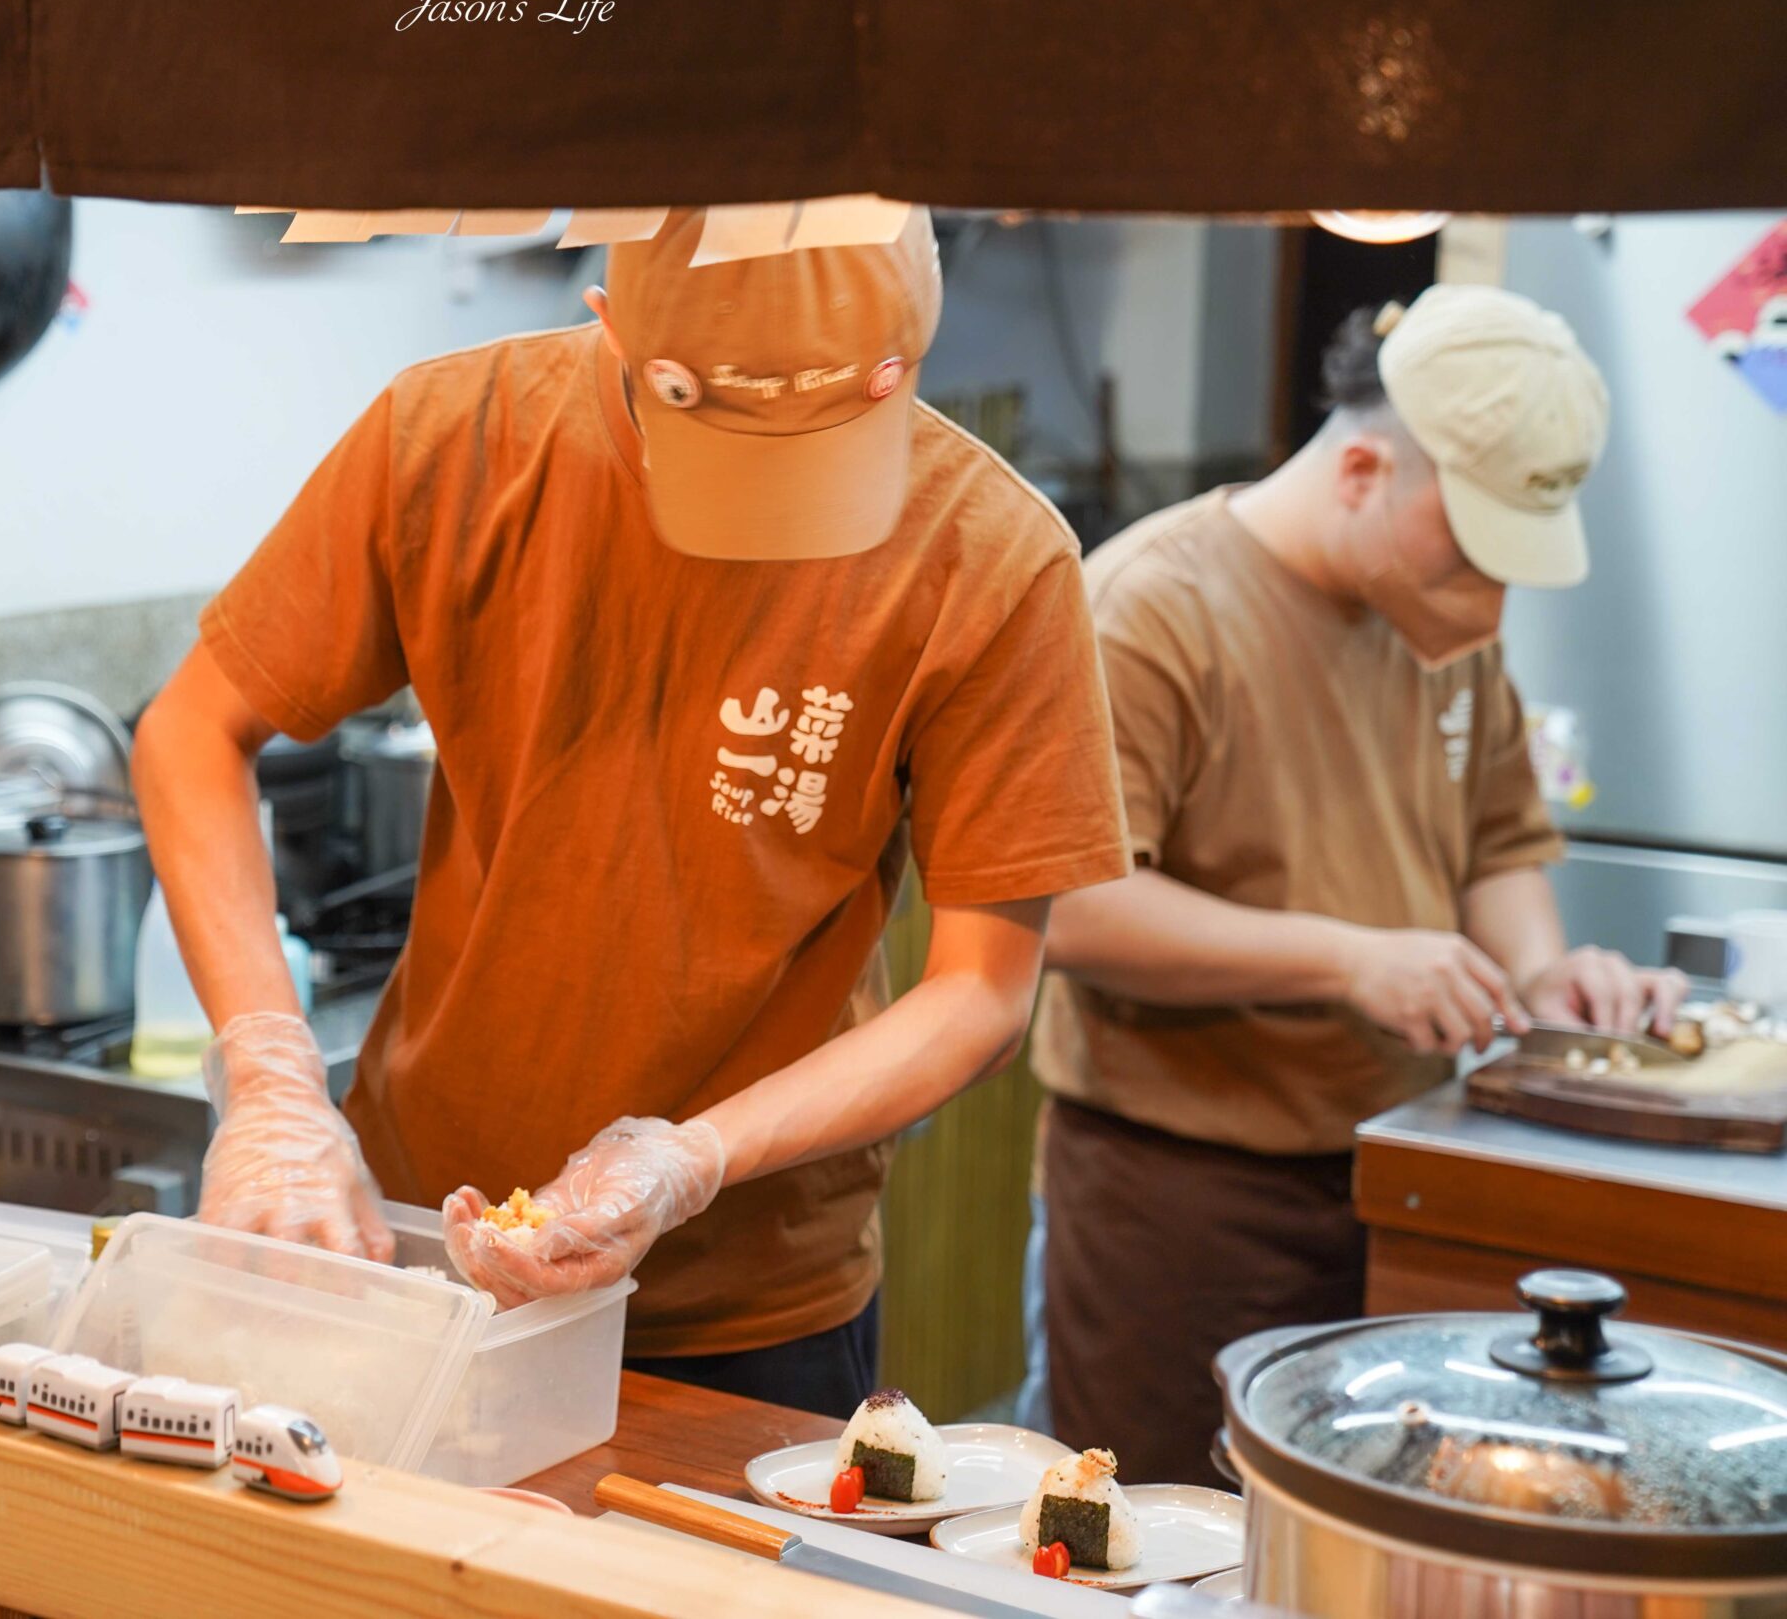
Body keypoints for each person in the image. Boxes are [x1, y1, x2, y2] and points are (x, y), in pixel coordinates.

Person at [132, 208, 1132, 1414]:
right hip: (415, 1254)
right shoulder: (454, 439)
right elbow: (192, 730)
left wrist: (688, 1160)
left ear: (907, 358)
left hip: (750, 1304)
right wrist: (275, 1077)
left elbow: (978, 993)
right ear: (609, 327)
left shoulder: (993, 558)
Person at [1030, 287, 1689, 1481]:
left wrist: (1548, 978)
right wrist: (1349, 958)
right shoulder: (1153, 606)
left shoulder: (1433, 617)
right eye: (1472, 554)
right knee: (1160, 1533)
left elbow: (1494, 838)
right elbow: (1071, 908)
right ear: (1361, 471)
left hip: (1402, 1172)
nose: (1490, 603)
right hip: (1184, 1197)